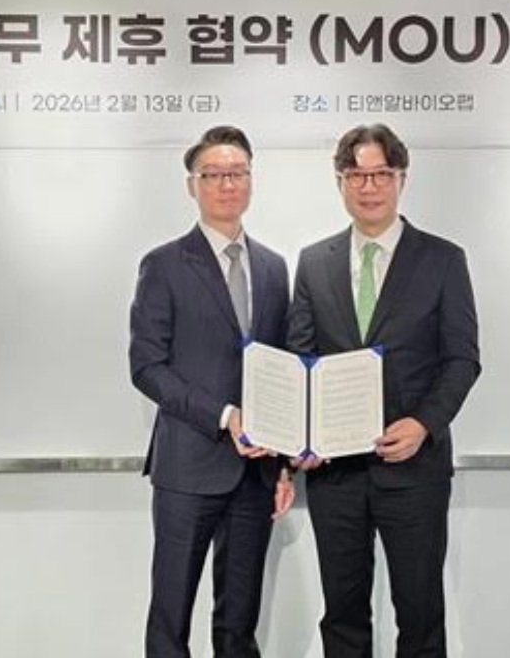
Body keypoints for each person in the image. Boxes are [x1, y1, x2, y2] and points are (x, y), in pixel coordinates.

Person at [287, 122, 481, 658]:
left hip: (414, 471)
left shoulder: (443, 260)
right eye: (356, 175)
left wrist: (423, 424)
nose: (368, 186)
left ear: (401, 179)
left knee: (419, 615)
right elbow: (301, 359)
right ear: (340, 182)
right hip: (336, 476)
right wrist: (301, 437)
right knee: (343, 617)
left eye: (381, 174)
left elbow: (462, 359)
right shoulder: (314, 262)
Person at [130, 125, 295, 658]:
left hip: (256, 472)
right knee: (171, 618)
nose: (227, 184)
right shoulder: (163, 265)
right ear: (192, 185)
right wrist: (224, 415)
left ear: (251, 180)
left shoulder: (273, 268)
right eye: (214, 174)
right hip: (187, 468)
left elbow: (283, 369)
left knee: (239, 623)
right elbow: (147, 367)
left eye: (237, 173)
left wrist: (284, 465)